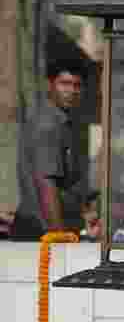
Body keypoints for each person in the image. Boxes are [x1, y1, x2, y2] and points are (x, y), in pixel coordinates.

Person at [15, 59, 89, 238]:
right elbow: (46, 183)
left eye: (77, 85)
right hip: (42, 233)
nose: (71, 91)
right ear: (50, 85)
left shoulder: (63, 122)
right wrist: (59, 237)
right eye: (64, 84)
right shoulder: (48, 125)